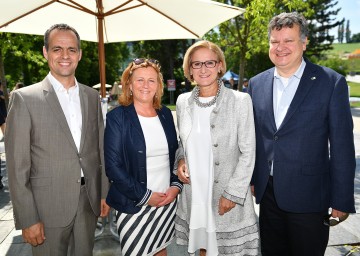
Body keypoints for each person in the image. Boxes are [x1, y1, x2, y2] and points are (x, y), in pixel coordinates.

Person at [248, 12, 356, 256]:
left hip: (309, 196)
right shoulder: (257, 84)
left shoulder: (331, 82)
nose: (280, 47)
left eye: (289, 40)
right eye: (275, 41)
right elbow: (254, 137)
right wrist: (254, 178)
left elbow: (342, 146)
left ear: (304, 43)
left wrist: (342, 198)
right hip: (268, 194)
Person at [5, 23, 110, 256]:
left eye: (72, 49)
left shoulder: (92, 97)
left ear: (80, 54)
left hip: (89, 202)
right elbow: (17, 165)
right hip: (46, 208)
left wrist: (103, 192)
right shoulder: (24, 98)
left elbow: (100, 148)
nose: (65, 55)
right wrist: (27, 217)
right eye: (57, 49)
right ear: (45, 52)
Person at [175, 40, 260, 256]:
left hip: (225, 193)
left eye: (209, 63)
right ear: (189, 70)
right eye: (196, 64)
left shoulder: (240, 101)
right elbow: (182, 144)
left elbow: (248, 152)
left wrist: (232, 194)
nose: (203, 69)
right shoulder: (183, 102)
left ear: (220, 65)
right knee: (202, 249)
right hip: (194, 195)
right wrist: (181, 160)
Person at [104, 58, 182, 256]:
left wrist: (176, 186)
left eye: (151, 80)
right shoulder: (117, 117)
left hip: (166, 201)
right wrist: (146, 197)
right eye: (140, 80)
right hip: (134, 204)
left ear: (158, 86)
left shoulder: (164, 114)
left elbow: (175, 153)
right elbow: (113, 167)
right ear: (129, 84)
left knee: (160, 250)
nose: (146, 85)